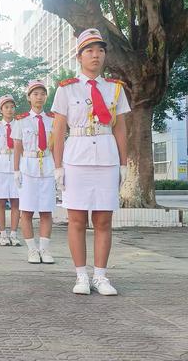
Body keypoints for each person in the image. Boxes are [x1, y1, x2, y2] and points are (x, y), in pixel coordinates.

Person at [51, 28, 130, 296]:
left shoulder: (115, 89)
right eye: (90, 50)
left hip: (106, 156)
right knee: (76, 219)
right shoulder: (66, 89)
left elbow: (121, 129)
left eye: (100, 50)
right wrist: (58, 165)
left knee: (104, 219)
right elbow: (58, 130)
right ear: (79, 56)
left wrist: (124, 162)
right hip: (77, 157)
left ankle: (101, 275)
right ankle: (81, 275)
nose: (96, 55)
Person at [12, 80, 56, 264]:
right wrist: (16, 170)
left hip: (47, 164)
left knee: (46, 211)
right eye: (35, 94)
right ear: (29, 98)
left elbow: (56, 146)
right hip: (28, 166)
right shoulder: (21, 121)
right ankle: (32, 250)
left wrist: (60, 167)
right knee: (27, 211)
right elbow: (17, 147)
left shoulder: (53, 119)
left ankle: (44, 249)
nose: (39, 97)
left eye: (42, 93)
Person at [0, 95, 21, 246]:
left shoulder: (20, 125)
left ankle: (13, 233)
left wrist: (20, 168)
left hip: (16, 166)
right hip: (0, 166)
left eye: (12, 107)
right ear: (1, 110)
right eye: (6, 107)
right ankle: (3, 234)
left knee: (16, 202)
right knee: (0, 201)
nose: (9, 110)